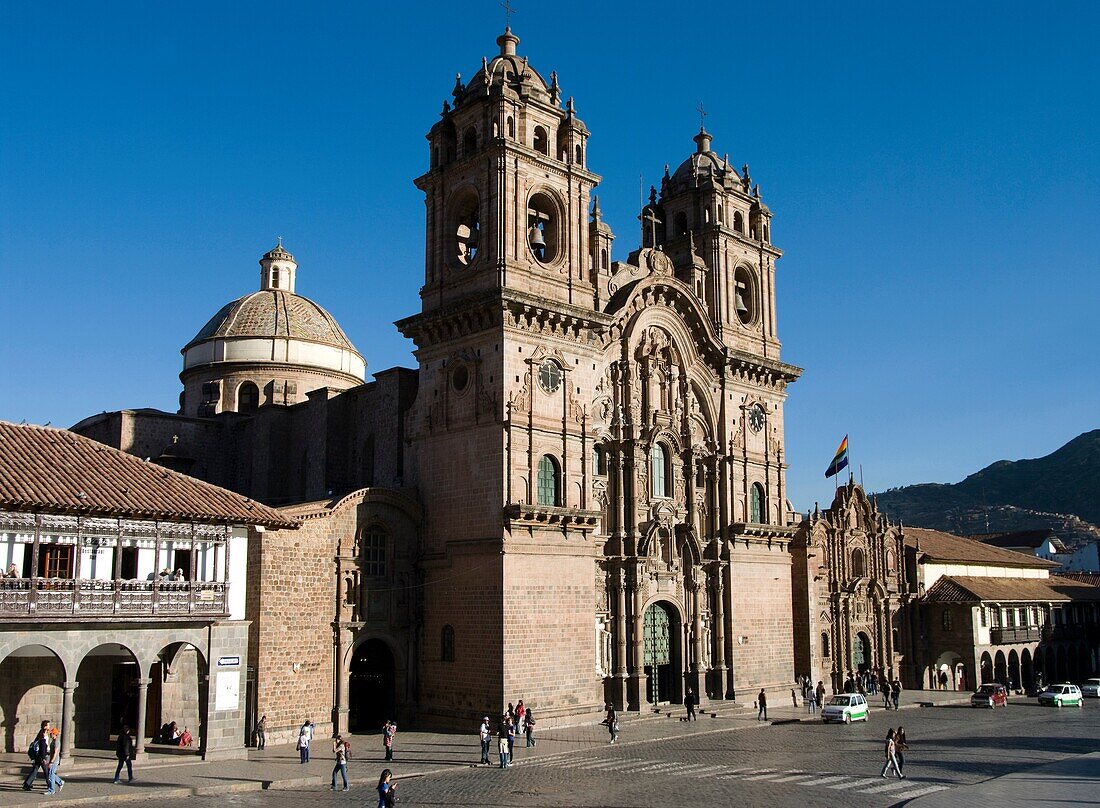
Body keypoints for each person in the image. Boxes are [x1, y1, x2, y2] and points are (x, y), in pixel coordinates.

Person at [23, 721, 50, 791]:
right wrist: (44, 757)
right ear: (45, 726)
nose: (49, 726)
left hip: (38, 755)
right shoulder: (44, 734)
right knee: (46, 771)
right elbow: (43, 747)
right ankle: (50, 785)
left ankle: (27, 784)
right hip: (42, 755)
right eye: (48, 725)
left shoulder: (41, 733)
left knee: (35, 770)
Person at [45, 727, 65, 794]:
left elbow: (56, 752)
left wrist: (51, 762)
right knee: (51, 774)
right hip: (52, 760)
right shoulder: (53, 741)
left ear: (54, 734)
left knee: (51, 774)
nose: (50, 735)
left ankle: (51, 790)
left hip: (54, 760)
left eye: (51, 734)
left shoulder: (56, 741)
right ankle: (60, 782)